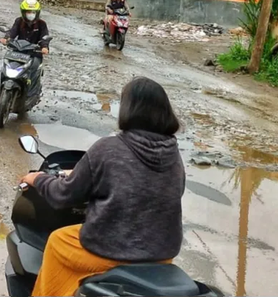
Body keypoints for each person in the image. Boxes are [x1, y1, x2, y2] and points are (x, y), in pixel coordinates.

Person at [21, 76, 184, 297]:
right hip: (162, 255)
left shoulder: (107, 149)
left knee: (57, 241)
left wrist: (38, 178)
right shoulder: (174, 154)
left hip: (110, 250)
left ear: (128, 110)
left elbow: (63, 194)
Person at [0, 0, 49, 96]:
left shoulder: (42, 24)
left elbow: (44, 37)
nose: (30, 14)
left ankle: (32, 93)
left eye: (33, 12)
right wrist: (6, 39)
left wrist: (44, 47)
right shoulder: (19, 21)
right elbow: (12, 32)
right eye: (28, 12)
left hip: (34, 53)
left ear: (37, 13)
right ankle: (2, 87)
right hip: (19, 51)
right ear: (23, 12)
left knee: (34, 71)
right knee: (5, 67)